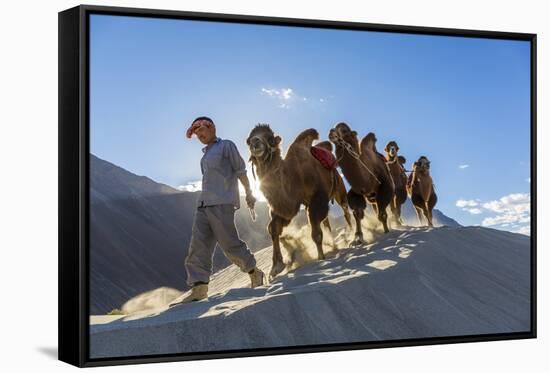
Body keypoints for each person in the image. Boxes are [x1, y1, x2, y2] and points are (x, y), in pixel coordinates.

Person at [171, 116, 265, 306]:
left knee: (229, 243)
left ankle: (255, 272)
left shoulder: (226, 146)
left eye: (201, 131)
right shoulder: (205, 155)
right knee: (198, 246)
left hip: (222, 202)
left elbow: (240, 170)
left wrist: (249, 192)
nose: (199, 135)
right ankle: (199, 289)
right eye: (196, 133)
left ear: (211, 128)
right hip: (203, 205)